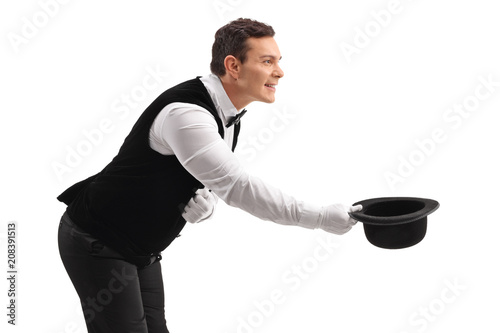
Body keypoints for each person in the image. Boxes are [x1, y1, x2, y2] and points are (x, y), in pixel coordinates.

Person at [57, 18, 362, 333]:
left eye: (278, 62)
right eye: (267, 61)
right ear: (233, 66)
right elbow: (238, 186)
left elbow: (212, 175)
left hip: (140, 248)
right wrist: (322, 217)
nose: (279, 72)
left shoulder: (227, 112)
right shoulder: (187, 115)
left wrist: (206, 198)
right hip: (96, 240)